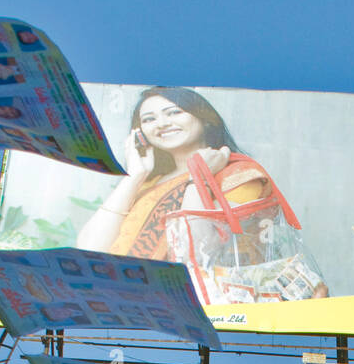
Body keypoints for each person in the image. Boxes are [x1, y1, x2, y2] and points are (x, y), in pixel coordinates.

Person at [77, 86, 328, 297]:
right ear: (139, 134)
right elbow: (90, 250)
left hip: (194, 306)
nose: (162, 124)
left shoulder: (237, 174)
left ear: (205, 118)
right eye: (149, 119)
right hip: (131, 300)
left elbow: (198, 255)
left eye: (174, 112)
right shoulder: (147, 185)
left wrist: (198, 179)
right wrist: (134, 176)